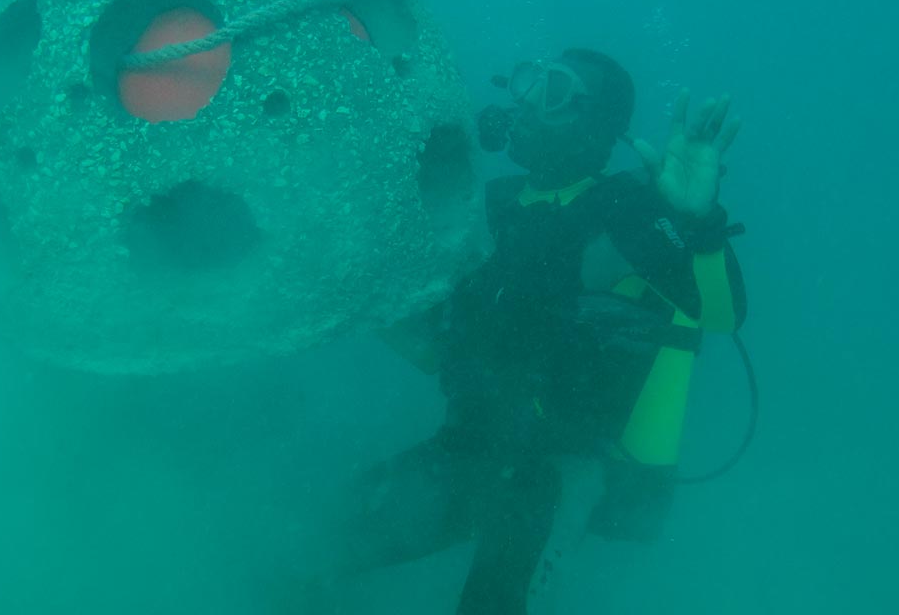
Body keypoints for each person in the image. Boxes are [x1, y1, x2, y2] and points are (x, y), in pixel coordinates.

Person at [288, 49, 747, 614]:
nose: (524, 102)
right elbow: (443, 349)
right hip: (470, 449)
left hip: (560, 474)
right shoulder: (489, 206)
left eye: (552, 90)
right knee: (305, 553)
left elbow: (723, 316)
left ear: (597, 121)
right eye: (526, 82)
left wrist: (697, 224)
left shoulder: (630, 212)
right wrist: (356, 295)